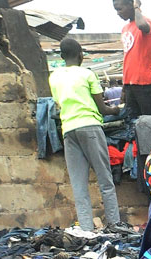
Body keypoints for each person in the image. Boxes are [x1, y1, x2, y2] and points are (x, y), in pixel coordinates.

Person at [50, 38, 123, 230]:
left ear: (61, 56)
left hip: (69, 131)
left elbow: (59, 103)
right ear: (81, 54)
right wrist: (117, 110)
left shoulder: (54, 77)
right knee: (105, 179)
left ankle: (86, 230)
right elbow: (103, 109)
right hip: (90, 127)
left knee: (79, 183)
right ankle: (114, 224)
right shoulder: (87, 74)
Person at [114, 0, 151, 116]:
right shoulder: (125, 28)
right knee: (133, 123)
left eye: (120, 9)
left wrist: (137, 7)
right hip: (129, 84)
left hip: (144, 82)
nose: (118, 13)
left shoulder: (146, 22)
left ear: (130, 5)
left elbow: (142, 26)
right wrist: (124, 86)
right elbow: (128, 58)